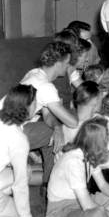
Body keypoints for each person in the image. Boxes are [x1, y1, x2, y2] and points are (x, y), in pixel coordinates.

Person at [0, 42, 79, 192]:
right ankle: (51, 183)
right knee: (65, 133)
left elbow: (48, 114)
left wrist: (56, 127)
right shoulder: (45, 87)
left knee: (54, 132)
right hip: (7, 134)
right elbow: (73, 122)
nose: (68, 67)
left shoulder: (35, 73)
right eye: (67, 63)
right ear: (58, 63)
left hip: (9, 125)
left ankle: (47, 180)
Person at [0, 85, 44, 217]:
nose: (37, 106)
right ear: (26, 108)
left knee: (25, 170)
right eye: (35, 103)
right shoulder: (18, 139)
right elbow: (20, 185)